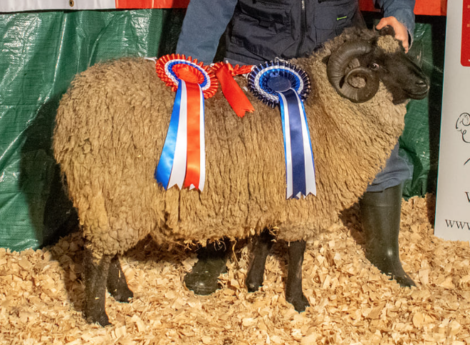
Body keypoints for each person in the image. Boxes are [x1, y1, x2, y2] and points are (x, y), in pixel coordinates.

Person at [176, 0, 417, 295]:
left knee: (373, 146)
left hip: (338, 55)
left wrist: (400, 15)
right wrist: (188, 75)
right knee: (231, 152)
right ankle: (216, 247)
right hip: (257, 57)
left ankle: (385, 252)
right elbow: (210, 7)